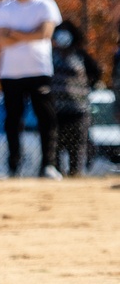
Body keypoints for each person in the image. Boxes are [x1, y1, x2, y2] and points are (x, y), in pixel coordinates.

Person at [0, 0, 62, 179]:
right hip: (10, 72)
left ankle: (48, 165)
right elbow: (0, 41)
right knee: (13, 119)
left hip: (39, 70)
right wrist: (29, 33)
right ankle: (13, 166)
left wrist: (15, 34)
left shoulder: (45, 4)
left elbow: (45, 34)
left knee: (46, 118)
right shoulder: (3, 6)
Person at [51, 22, 90, 176]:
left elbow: (96, 72)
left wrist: (83, 88)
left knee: (77, 145)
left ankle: (75, 174)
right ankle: (56, 173)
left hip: (77, 109)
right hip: (55, 109)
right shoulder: (50, 54)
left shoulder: (80, 55)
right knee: (56, 145)